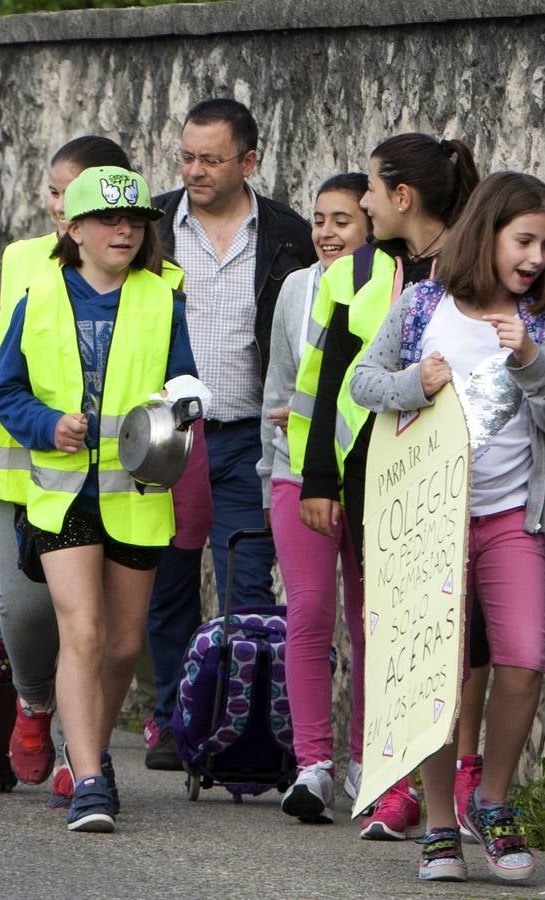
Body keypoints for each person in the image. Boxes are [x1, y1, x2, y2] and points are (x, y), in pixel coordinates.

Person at [350, 171, 545, 884]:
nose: (536, 256)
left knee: (524, 658)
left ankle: (495, 800)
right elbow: (363, 380)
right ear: (486, 234)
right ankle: (440, 823)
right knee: (432, 675)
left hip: (512, 518)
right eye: (523, 240)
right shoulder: (422, 305)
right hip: (427, 519)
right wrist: (410, 382)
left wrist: (530, 362)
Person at [0, 136, 193, 804]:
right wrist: (48, 426)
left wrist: (184, 406)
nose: (125, 228)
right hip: (61, 491)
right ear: (72, 229)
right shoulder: (37, 296)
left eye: (134, 219)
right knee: (83, 630)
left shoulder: (163, 299)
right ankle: (92, 781)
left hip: (135, 493)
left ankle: (85, 748)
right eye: (108, 219)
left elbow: (187, 382)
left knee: (124, 644)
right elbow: (3, 391)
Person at [293, 133, 479, 838]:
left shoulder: (469, 266)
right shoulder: (357, 274)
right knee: (395, 630)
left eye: (368, 189)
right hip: (373, 476)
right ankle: (398, 781)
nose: (361, 201)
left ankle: (443, 780)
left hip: (450, 474)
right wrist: (318, 479)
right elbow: (330, 381)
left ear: (401, 198)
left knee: (449, 635)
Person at [144, 98, 315, 771]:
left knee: (246, 585)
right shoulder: (150, 226)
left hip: (247, 437)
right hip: (168, 435)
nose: (193, 171)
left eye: (210, 159)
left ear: (247, 161)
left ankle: (237, 725)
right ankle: (168, 718)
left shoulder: (286, 236)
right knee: (166, 585)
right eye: (186, 157)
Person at [258, 173, 371, 823]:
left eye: (341, 221)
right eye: (319, 220)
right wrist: (270, 464)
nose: (325, 234)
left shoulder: (390, 291)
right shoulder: (296, 289)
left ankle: (367, 761)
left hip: (369, 478)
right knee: (306, 613)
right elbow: (275, 387)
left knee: (366, 620)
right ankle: (313, 766)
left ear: (371, 228)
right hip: (296, 474)